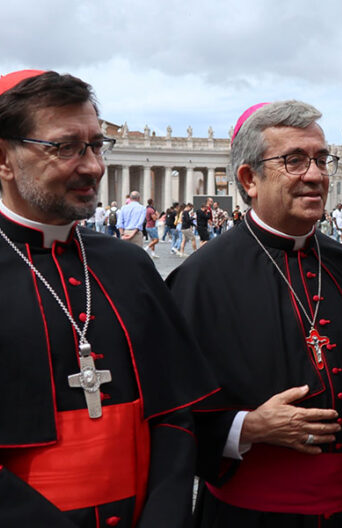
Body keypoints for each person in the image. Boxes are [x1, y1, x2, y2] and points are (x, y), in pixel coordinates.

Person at [167, 100, 342, 527]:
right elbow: (169, 408)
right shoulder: (201, 278)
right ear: (249, 179)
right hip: (249, 515)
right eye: (294, 161)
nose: (315, 175)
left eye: (321, 159)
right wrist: (248, 427)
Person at [0, 69, 217, 526]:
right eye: (66, 147)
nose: (94, 166)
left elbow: (174, 414)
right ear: (4, 158)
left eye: (97, 146)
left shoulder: (128, 265)